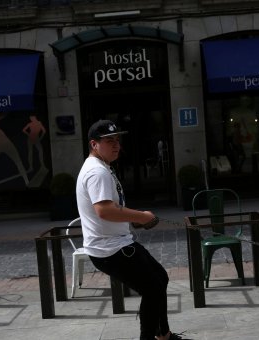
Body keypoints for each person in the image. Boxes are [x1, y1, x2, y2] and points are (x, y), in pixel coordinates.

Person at [75, 120, 187, 340]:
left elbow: (111, 209)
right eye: (109, 141)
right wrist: (142, 216)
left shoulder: (101, 167)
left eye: (117, 140)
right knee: (153, 287)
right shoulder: (97, 172)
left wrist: (132, 220)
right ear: (94, 144)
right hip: (110, 248)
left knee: (160, 278)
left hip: (116, 242)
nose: (116, 145)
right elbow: (105, 210)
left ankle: (163, 334)